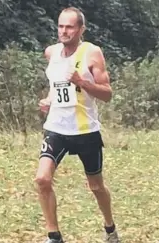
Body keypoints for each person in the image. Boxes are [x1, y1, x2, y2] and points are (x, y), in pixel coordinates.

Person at [35, 6, 120, 243]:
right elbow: (56, 87)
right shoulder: (51, 52)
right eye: (61, 26)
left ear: (81, 29)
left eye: (70, 26)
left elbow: (107, 94)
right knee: (42, 179)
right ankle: (54, 236)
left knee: (96, 186)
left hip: (85, 132)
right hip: (56, 129)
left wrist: (82, 82)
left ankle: (110, 228)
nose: (64, 31)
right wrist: (48, 101)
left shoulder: (92, 53)